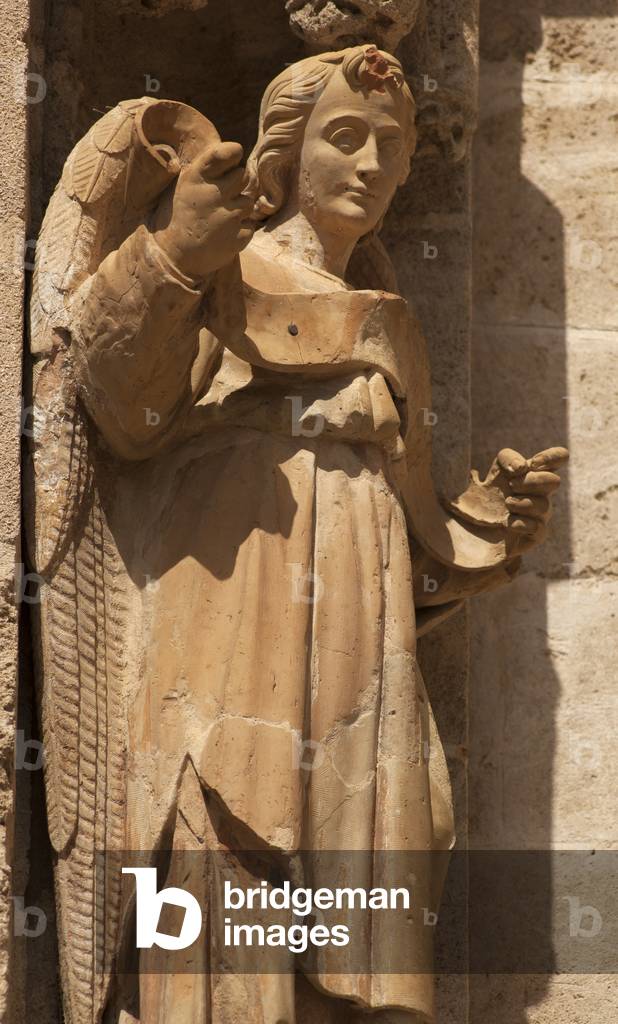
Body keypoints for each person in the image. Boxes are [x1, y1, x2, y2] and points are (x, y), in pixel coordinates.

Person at [29, 45, 566, 1024]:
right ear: (284, 152)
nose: (369, 162)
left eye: (391, 145)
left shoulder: (386, 319)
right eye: (345, 137)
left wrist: (475, 539)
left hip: (355, 698)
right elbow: (111, 397)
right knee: (222, 927)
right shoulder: (223, 265)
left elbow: (373, 550)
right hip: (224, 669)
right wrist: (169, 255)